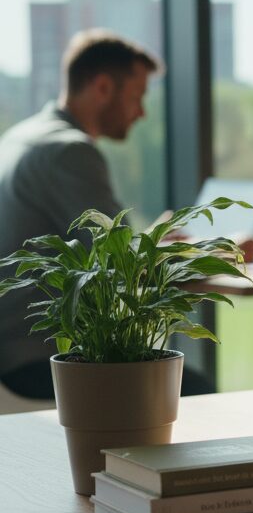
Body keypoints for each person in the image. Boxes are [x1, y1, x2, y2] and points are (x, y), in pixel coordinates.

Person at [0, 30, 210, 399]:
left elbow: (107, 251)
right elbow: (123, 264)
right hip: (41, 358)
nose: (142, 112)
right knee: (197, 392)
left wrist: (152, 240)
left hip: (13, 351)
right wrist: (218, 251)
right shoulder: (69, 151)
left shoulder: (21, 137)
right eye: (137, 96)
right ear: (102, 87)